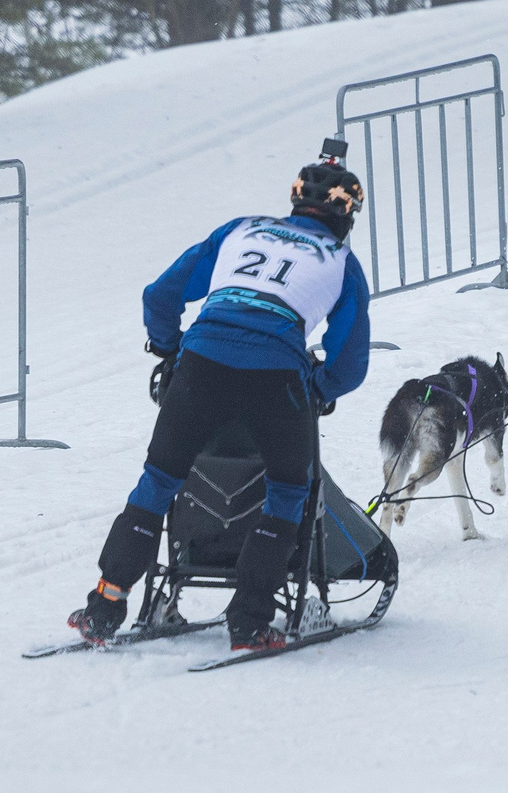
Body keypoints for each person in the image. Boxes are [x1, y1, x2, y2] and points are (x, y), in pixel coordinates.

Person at [70, 145, 372, 655]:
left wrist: (169, 349)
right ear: (348, 216)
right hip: (276, 375)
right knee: (287, 493)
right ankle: (250, 620)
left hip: (202, 363)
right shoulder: (342, 261)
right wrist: (316, 389)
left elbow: (160, 296)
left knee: (159, 480)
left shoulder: (241, 228)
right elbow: (349, 362)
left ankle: (106, 603)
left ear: (295, 201)